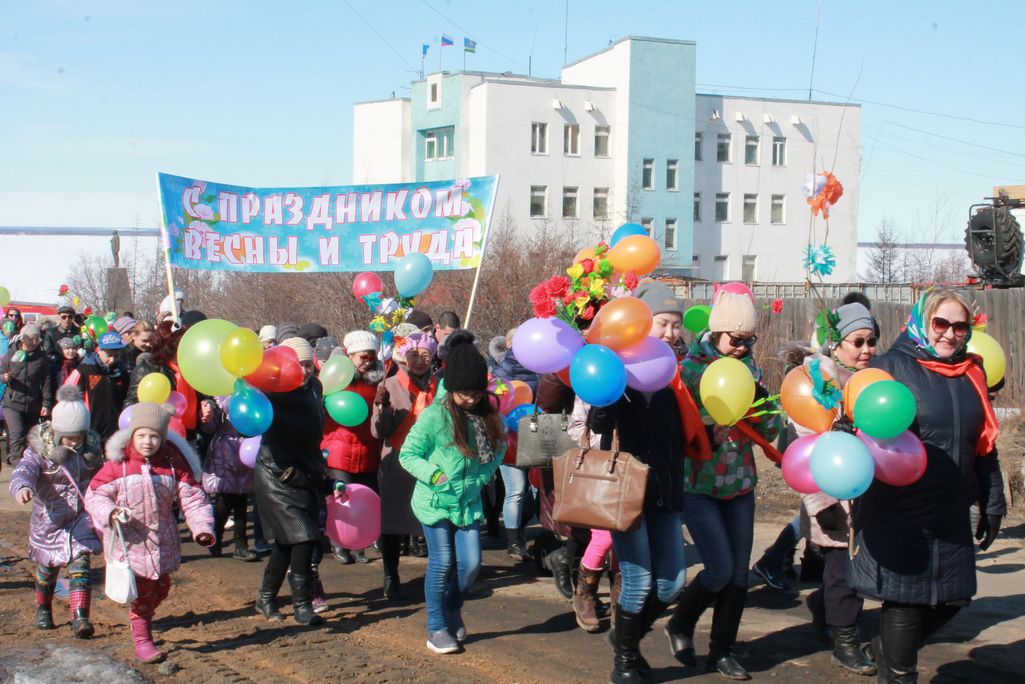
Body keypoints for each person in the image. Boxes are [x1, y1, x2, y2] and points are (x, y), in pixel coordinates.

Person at [851, 290, 1006, 683]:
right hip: (898, 511)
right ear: (922, 322)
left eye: (959, 326)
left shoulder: (972, 372)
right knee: (904, 604)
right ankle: (897, 669)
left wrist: (992, 500)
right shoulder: (890, 368)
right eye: (941, 324)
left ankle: (886, 650)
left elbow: (985, 444)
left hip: (950, 511)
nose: (950, 335)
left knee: (954, 599)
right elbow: (859, 432)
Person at [588, 288, 713, 683]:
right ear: (642, 324)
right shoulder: (620, 372)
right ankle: (624, 660)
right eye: (663, 323)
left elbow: (685, 432)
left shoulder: (674, 378)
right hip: (628, 494)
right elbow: (597, 426)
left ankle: (625, 638)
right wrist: (609, 390)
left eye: (676, 325)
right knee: (639, 581)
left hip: (668, 489)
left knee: (672, 582)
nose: (671, 332)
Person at [666, 288, 782, 680]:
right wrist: (704, 430)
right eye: (736, 339)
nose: (742, 347)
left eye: (750, 341)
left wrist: (767, 410)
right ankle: (680, 624)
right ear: (717, 333)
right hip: (699, 485)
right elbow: (675, 431)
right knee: (717, 569)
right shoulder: (689, 370)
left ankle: (722, 650)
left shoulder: (751, 370)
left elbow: (768, 427)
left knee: (738, 574)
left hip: (741, 484)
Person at [399, 331, 504, 654]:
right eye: (464, 394)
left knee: (471, 564)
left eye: (476, 393)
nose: (471, 400)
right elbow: (408, 454)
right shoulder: (435, 416)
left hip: (468, 501)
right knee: (442, 563)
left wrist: (482, 478)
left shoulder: (487, 416)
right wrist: (435, 475)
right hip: (435, 501)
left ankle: (450, 605)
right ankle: (436, 628)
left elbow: (498, 452)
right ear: (452, 389)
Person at [85, 402, 214, 663]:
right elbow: (95, 495)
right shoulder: (118, 465)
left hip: (162, 541)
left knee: (162, 587)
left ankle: (142, 616)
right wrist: (111, 513)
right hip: (129, 543)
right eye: (142, 435)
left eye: (154, 436)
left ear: (162, 437)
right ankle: (142, 637)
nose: (147, 441)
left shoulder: (173, 464)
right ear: (133, 435)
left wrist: (202, 528)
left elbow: (193, 498)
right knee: (144, 593)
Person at [9, 386, 103, 637]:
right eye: (68, 438)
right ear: (58, 433)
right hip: (49, 520)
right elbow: (24, 470)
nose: (74, 442)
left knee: (81, 565)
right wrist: (23, 487)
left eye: (78, 437)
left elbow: (105, 478)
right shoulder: (39, 453)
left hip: (81, 518)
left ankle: (80, 617)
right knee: (48, 569)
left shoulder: (91, 453)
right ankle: (43, 607)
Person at [252, 336, 327, 626]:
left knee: (287, 543)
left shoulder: (315, 389)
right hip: (276, 473)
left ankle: (266, 597)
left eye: (308, 364)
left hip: (307, 472)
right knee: (305, 535)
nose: (304, 370)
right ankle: (302, 604)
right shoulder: (272, 391)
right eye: (298, 364)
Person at [372, 332, 440, 600]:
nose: (420, 361)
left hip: (433, 463)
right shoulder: (389, 384)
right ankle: (391, 574)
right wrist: (383, 407)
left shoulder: (441, 385)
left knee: (434, 521)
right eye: (414, 355)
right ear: (403, 356)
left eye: (425, 355)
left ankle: (439, 574)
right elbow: (379, 432)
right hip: (398, 461)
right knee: (393, 523)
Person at [323, 330, 384, 564]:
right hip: (338, 450)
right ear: (349, 356)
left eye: (371, 357)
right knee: (341, 498)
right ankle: (338, 541)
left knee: (362, 500)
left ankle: (359, 544)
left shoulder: (377, 382)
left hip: (367, 448)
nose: (367, 362)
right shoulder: (334, 380)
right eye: (362, 357)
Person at [492, 327, 539, 561]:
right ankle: (513, 540)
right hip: (509, 435)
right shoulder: (502, 372)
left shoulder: (544, 366)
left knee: (533, 489)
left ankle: (517, 531)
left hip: (533, 433)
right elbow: (495, 401)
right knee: (516, 490)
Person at [200, 397, 259, 562]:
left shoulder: (252, 394)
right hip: (226, 451)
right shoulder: (221, 397)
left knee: (241, 499)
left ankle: (241, 546)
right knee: (225, 500)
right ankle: (216, 538)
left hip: (247, 449)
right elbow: (210, 427)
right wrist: (207, 415)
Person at [1, 324, 54, 465]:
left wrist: (46, 403)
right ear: (24, 339)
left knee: (31, 437)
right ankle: (17, 466)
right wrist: (4, 377)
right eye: (32, 338)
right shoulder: (11, 354)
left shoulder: (41, 358)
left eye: (38, 339)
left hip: (32, 403)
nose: (36, 342)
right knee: (17, 434)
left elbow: (47, 382)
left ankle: (30, 465)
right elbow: (1, 372)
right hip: (12, 403)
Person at [75, 332, 130, 440]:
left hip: (115, 428)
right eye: (108, 355)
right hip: (92, 426)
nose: (113, 360)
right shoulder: (86, 369)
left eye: (117, 356)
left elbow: (127, 395)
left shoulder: (122, 372)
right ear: (99, 350)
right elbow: (74, 396)